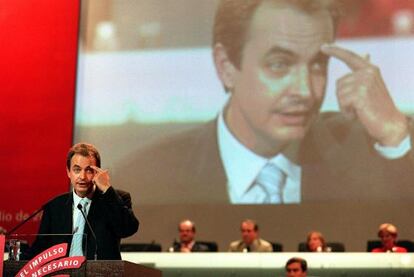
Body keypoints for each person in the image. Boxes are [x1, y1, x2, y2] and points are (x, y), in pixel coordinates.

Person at [117, 0, 414, 205]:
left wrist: (395, 133)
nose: (305, 91)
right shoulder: (146, 177)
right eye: (279, 64)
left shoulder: (365, 149)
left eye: (317, 65)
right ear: (226, 66)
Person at [27, 143, 139, 260]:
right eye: (77, 170)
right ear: (68, 172)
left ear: (97, 173)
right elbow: (39, 249)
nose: (82, 176)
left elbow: (128, 229)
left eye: (89, 170)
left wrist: (107, 189)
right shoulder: (55, 206)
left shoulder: (115, 198)